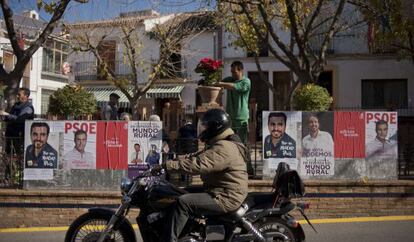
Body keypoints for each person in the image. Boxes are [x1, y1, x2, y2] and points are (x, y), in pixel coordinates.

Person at [154, 109, 249, 242]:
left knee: (184, 202)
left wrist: (167, 166)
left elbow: (198, 164)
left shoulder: (224, 147)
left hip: (226, 196)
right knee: (179, 192)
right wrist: (173, 160)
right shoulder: (218, 143)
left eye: (205, 127)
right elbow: (195, 157)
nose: (202, 130)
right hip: (217, 189)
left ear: (215, 127)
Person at [216, 61, 251, 145]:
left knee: (242, 142)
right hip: (230, 117)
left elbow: (234, 86)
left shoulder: (246, 82)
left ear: (241, 70)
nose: (232, 74)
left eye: (234, 72)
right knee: (231, 142)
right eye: (231, 72)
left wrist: (221, 84)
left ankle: (244, 157)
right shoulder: (230, 79)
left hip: (241, 117)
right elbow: (217, 84)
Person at [0, 87, 34, 154]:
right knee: (8, 154)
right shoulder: (16, 105)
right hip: (10, 135)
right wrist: (3, 117)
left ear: (26, 96)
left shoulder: (28, 107)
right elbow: (10, 117)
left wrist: (6, 114)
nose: (17, 96)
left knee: (19, 155)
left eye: (19, 94)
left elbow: (20, 119)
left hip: (19, 137)